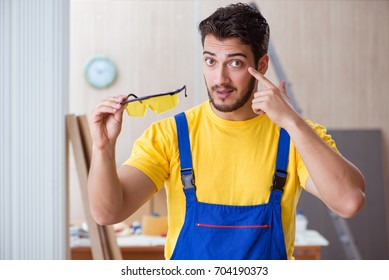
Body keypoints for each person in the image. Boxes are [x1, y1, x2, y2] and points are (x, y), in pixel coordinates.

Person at [88, 2, 365, 260]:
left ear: (262, 65)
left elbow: (349, 202)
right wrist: (103, 148)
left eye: (235, 63)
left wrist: (292, 122)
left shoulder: (295, 136)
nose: (220, 79)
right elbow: (108, 212)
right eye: (211, 61)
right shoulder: (170, 134)